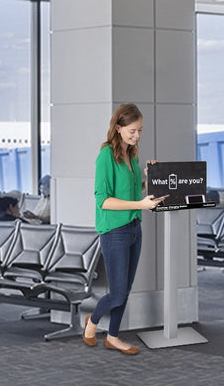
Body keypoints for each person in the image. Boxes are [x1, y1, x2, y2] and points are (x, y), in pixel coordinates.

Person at [82, 103, 167, 355]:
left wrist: (148, 177)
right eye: (131, 131)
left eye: (140, 130)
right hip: (114, 231)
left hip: (133, 228)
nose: (136, 136)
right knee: (117, 294)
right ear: (118, 128)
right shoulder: (106, 155)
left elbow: (133, 192)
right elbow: (104, 200)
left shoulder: (132, 153)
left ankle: (113, 337)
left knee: (125, 290)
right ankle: (92, 322)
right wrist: (140, 204)